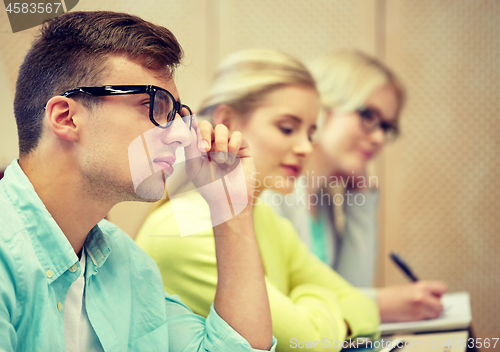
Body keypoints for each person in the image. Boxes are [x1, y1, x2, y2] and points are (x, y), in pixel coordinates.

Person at [0, 11, 276, 351]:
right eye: (153, 105)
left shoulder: (126, 263)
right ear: (66, 117)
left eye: (178, 113)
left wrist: (231, 208)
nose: (181, 135)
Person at [136, 49, 380, 352]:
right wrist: (316, 298)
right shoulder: (183, 228)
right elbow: (309, 344)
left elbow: (363, 307)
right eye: (287, 128)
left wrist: (311, 310)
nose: (305, 147)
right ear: (226, 121)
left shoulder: (266, 219)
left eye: (311, 133)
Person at [261, 50, 447, 322]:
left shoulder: (321, 198)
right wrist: (379, 306)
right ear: (322, 105)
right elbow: (275, 311)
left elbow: (351, 290)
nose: (379, 137)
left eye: (386, 126)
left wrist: (362, 199)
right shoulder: (272, 189)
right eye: (368, 116)